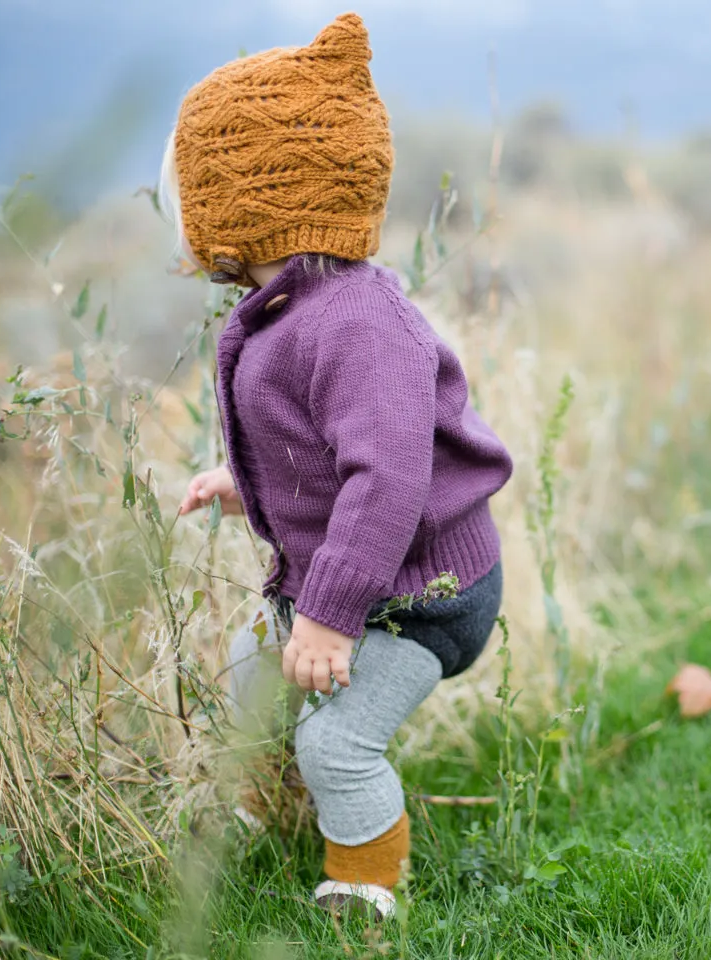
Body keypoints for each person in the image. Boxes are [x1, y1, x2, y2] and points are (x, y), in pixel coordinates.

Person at [158, 12, 513, 922]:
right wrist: (250, 488)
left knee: (338, 741)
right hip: (360, 574)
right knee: (250, 668)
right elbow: (325, 452)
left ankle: (364, 891)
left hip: (423, 594)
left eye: (197, 190)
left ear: (246, 200)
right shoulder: (288, 305)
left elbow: (387, 481)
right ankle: (259, 808)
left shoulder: (359, 324)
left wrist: (327, 617)